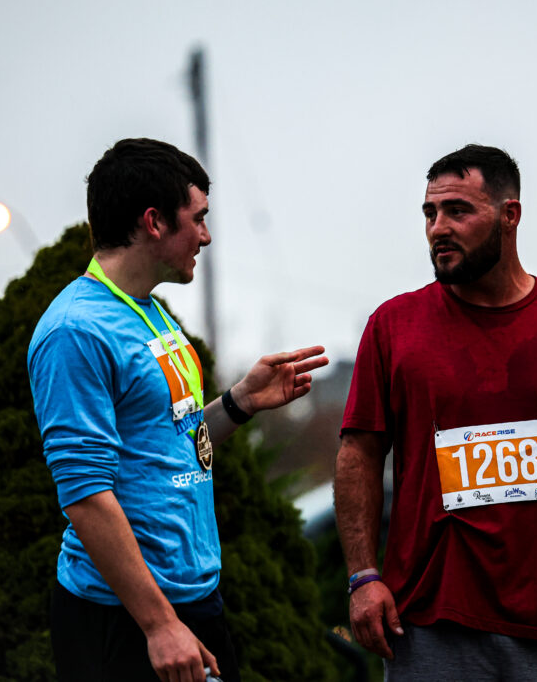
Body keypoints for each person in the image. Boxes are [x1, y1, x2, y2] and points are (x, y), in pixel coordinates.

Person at [334, 144, 537, 680]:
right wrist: (364, 578)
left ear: (510, 215)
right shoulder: (394, 326)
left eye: (458, 210)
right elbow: (358, 454)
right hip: (428, 622)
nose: (438, 227)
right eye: (430, 213)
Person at [28, 138, 328, 682]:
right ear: (154, 222)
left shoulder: (152, 314)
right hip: (123, 618)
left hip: (193, 601)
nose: (207, 237)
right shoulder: (75, 330)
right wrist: (159, 624)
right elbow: (84, 493)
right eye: (199, 219)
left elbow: (173, 439)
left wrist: (239, 404)